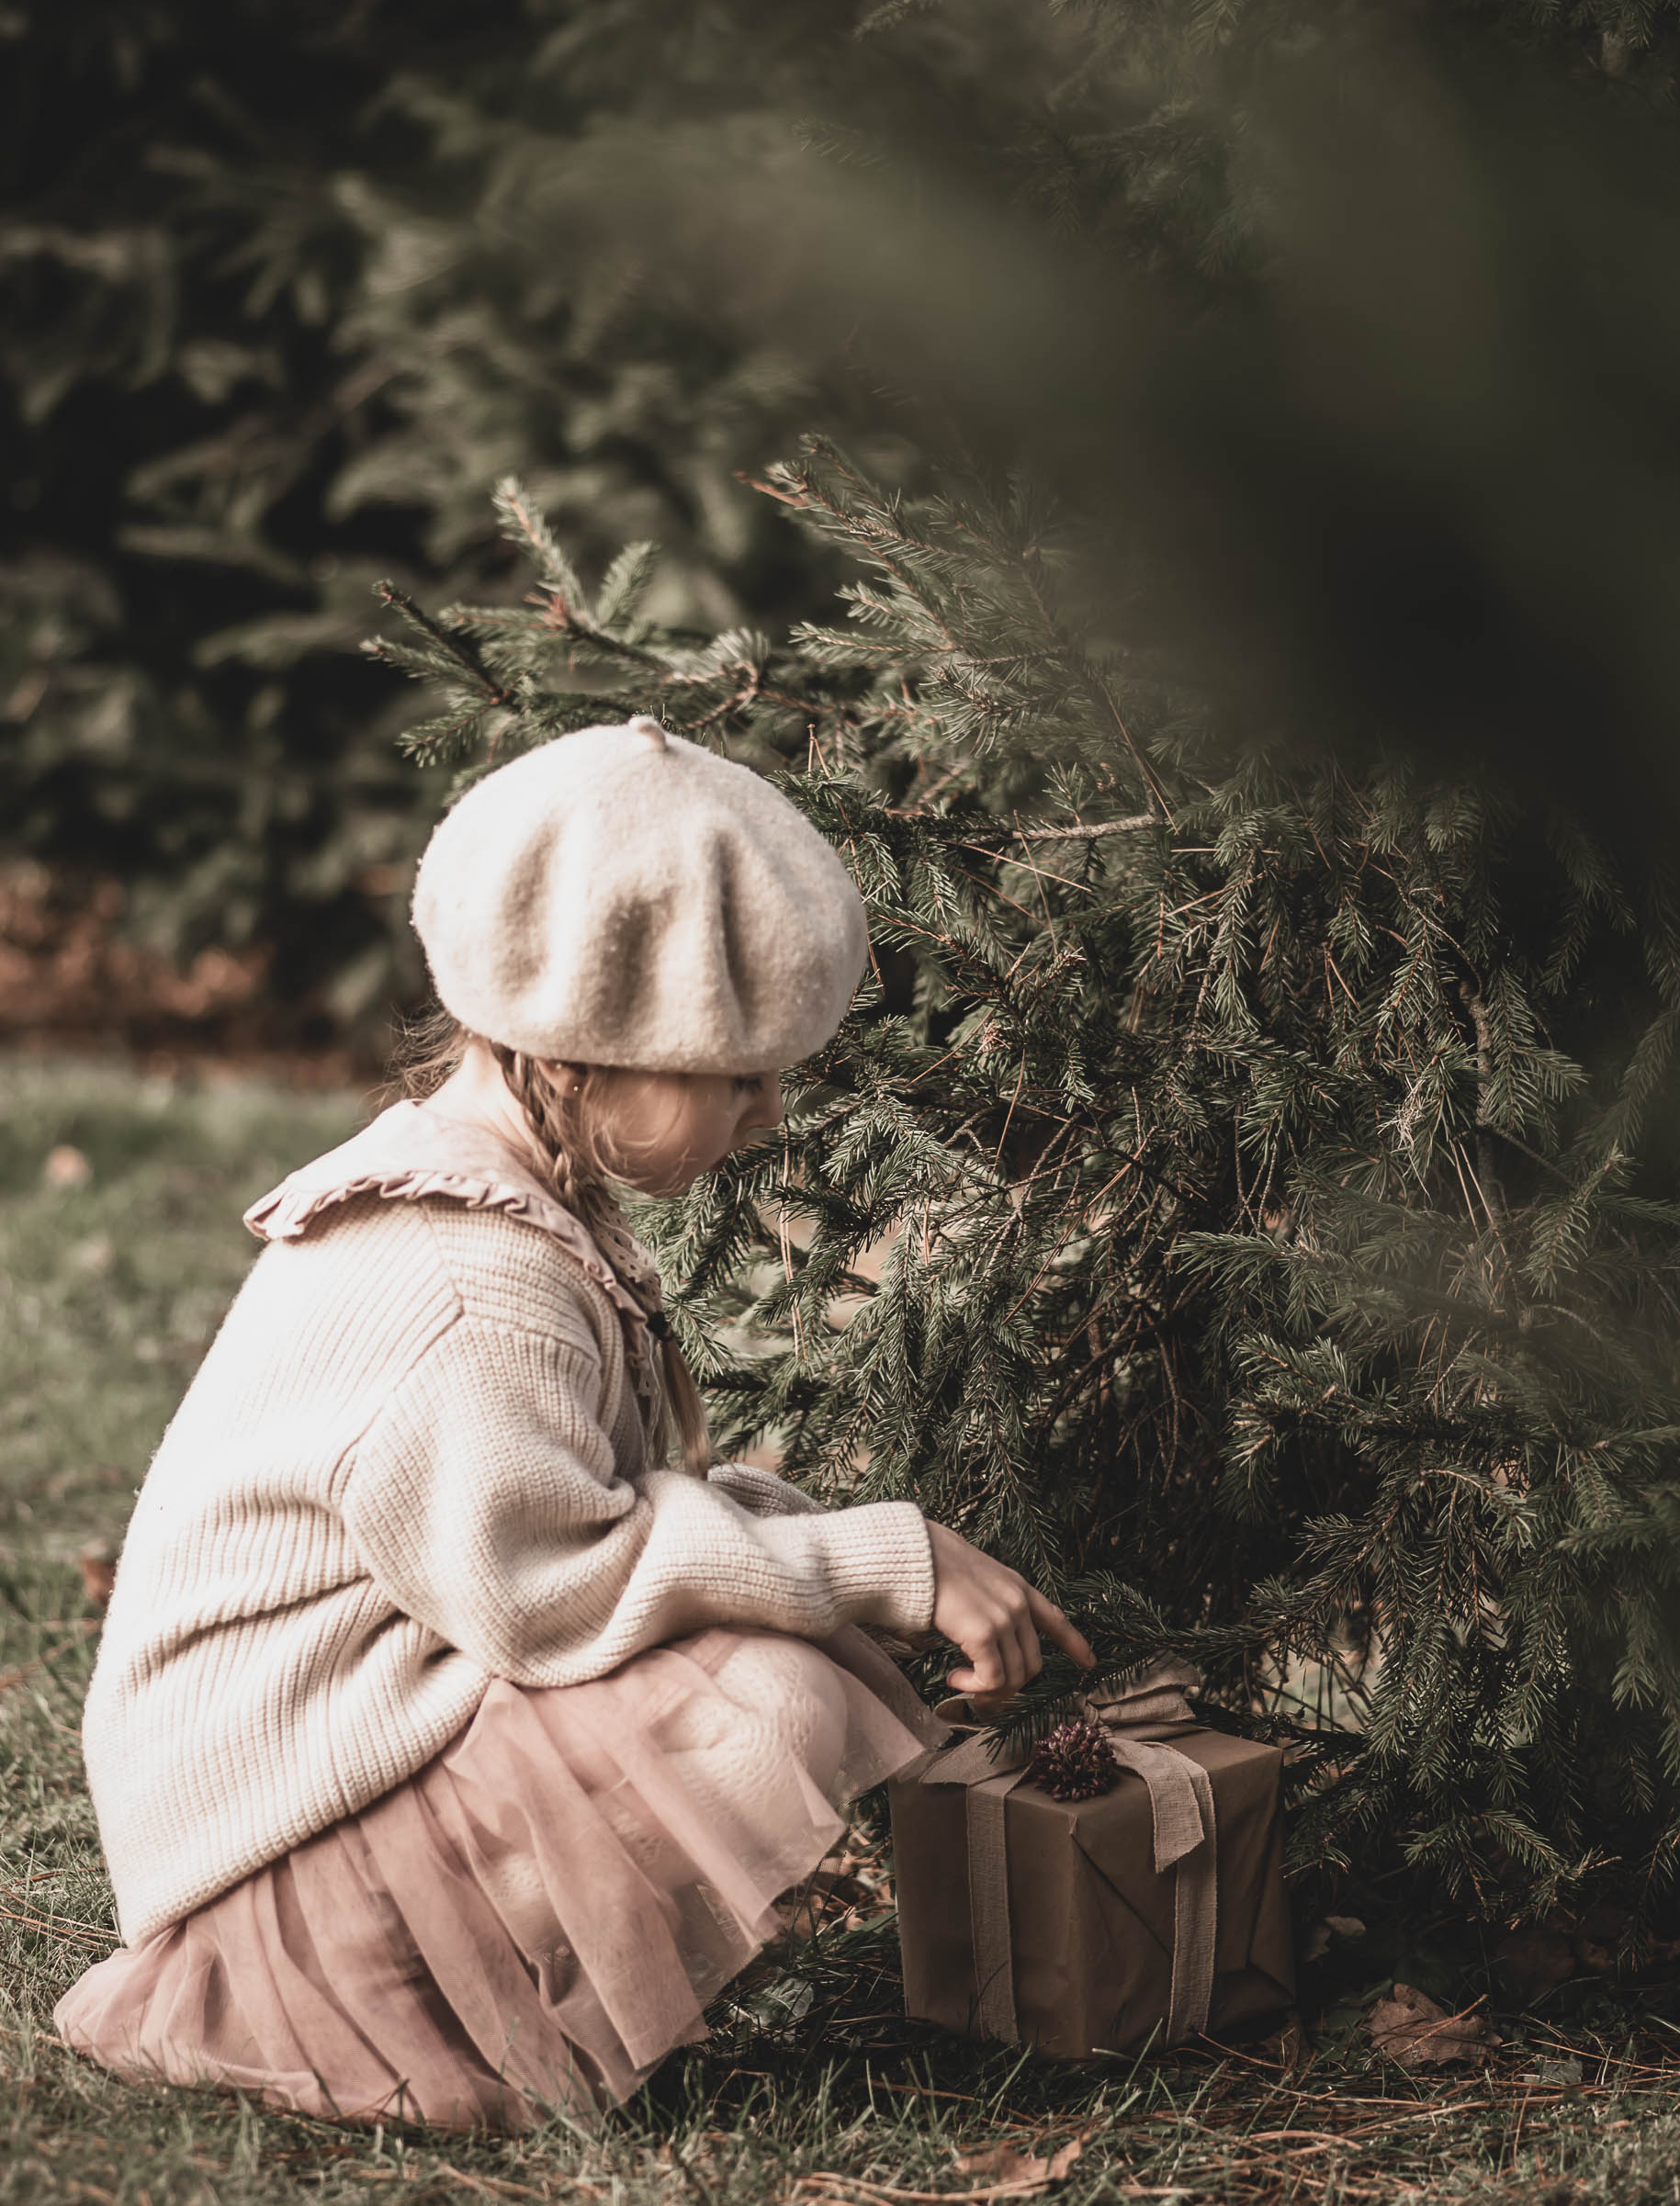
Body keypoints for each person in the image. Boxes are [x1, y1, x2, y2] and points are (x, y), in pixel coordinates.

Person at [55, 716, 1092, 2131]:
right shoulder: (469, 1282)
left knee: (788, 1630)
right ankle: (421, 2024)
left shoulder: (505, 1190)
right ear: (590, 1045)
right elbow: (552, 1589)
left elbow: (585, 1511)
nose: (774, 1114)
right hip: (270, 1868)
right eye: (739, 1076)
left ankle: (478, 1977)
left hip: (365, 1741)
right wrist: (873, 1560)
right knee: (771, 1698)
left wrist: (841, 1547)